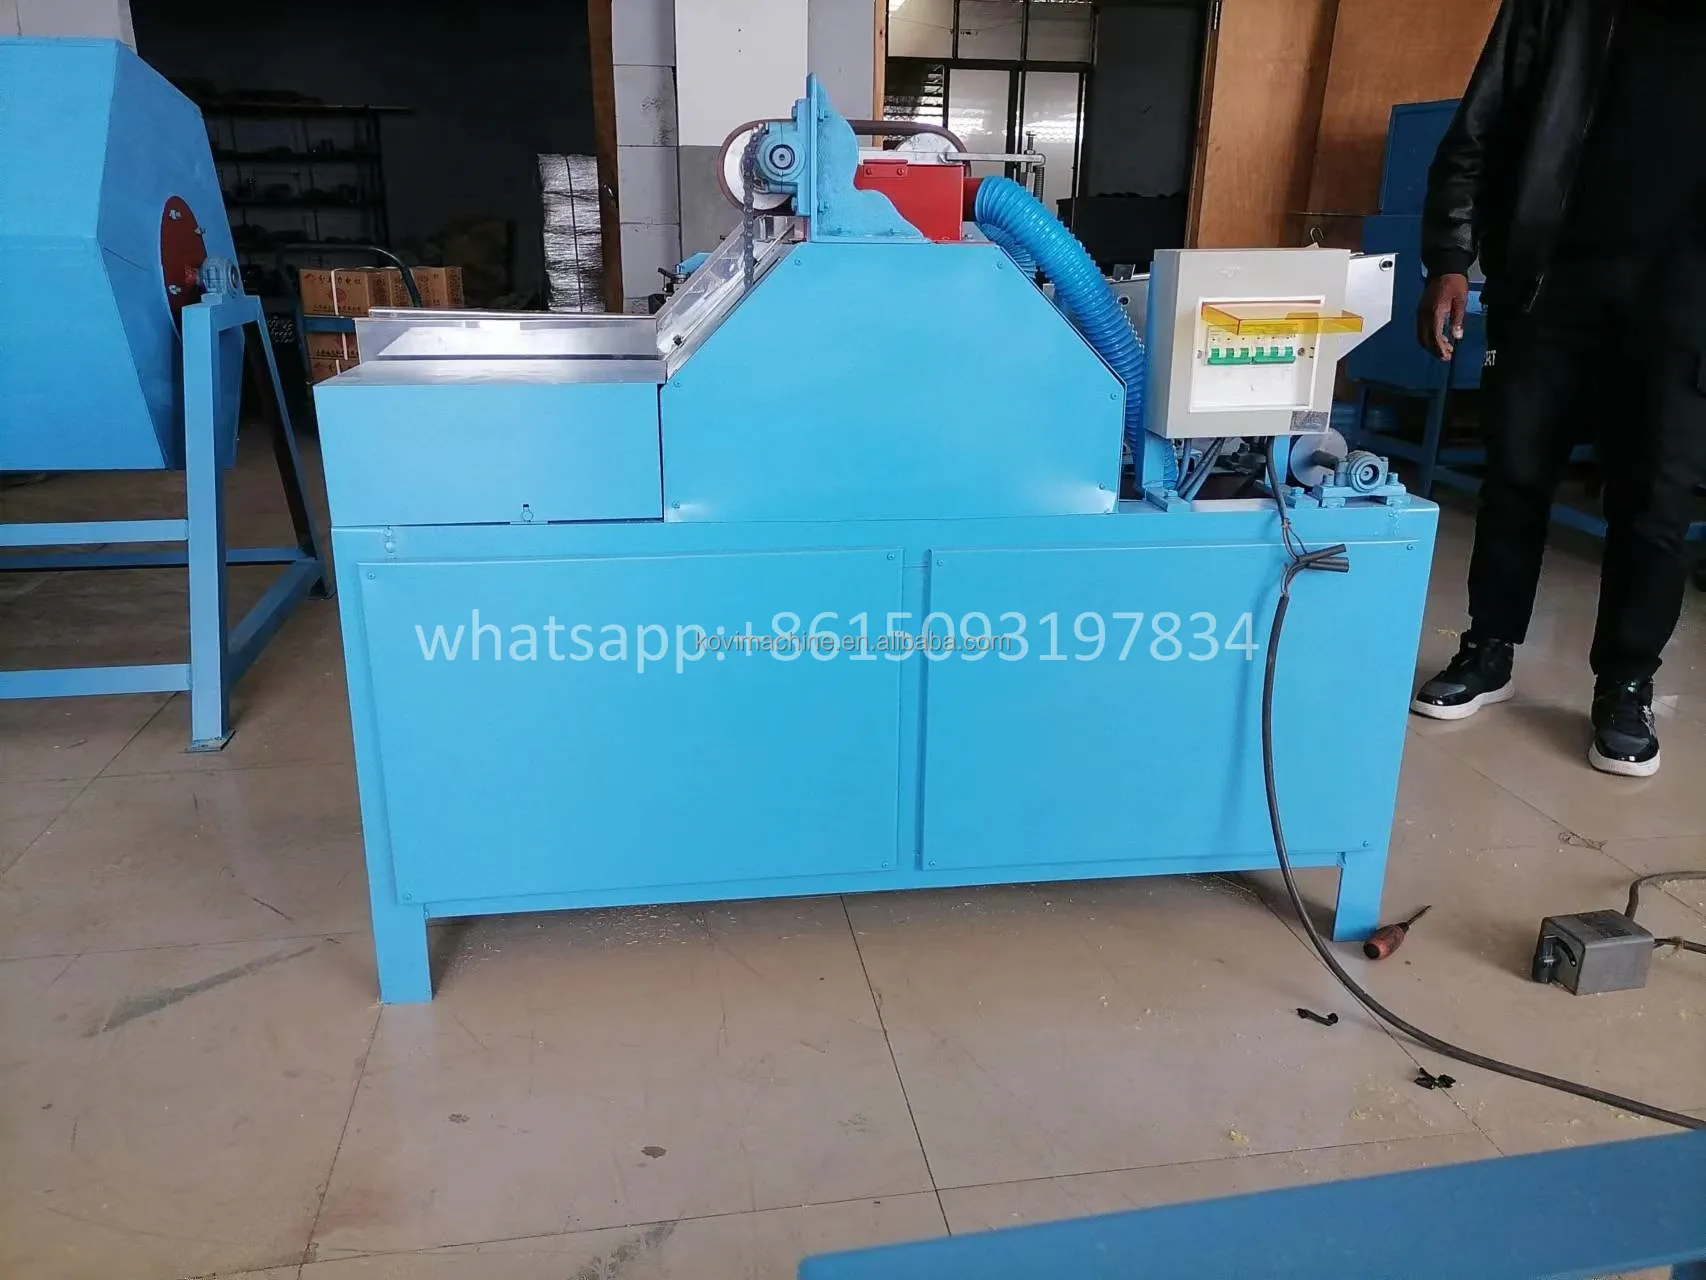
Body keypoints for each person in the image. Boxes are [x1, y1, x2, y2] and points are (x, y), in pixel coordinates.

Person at [1409, 0, 1706, 777]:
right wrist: (1450, 256)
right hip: (1552, 278)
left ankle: (1626, 684)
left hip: (1686, 302)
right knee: (1516, 473)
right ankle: (1489, 647)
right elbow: (1480, 122)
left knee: (1659, 499)